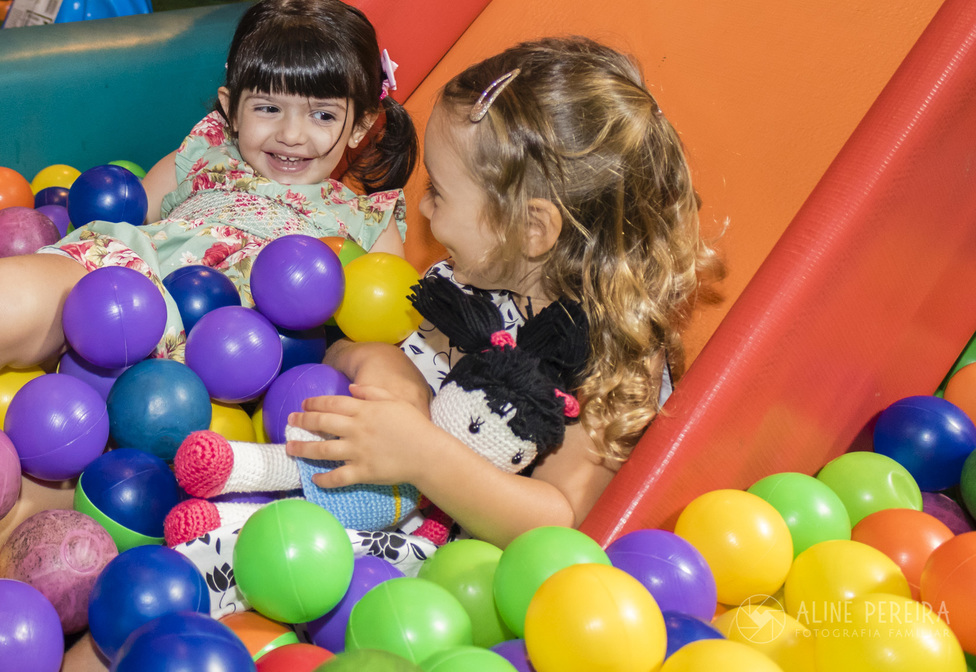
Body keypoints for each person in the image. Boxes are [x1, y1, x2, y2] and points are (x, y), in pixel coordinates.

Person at [0, 0, 418, 412]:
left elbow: (384, 320)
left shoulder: (365, 219)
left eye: (322, 115)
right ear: (230, 107)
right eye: (268, 108)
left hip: (239, 358)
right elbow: (132, 212)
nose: (291, 135)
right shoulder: (206, 152)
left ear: (360, 124)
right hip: (122, 283)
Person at [283, 36, 725, 549]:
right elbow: (337, 349)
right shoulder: (469, 282)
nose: (422, 210)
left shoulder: (609, 353)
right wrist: (377, 360)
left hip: (472, 565)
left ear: (531, 229)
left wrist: (423, 456)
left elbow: (560, 522)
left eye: (438, 193)